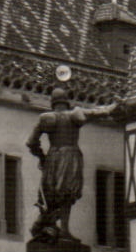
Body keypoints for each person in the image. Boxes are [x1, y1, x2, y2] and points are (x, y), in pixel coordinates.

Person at [25, 88, 116, 243]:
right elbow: (98, 112)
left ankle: (48, 226)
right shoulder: (75, 114)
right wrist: (114, 105)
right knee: (67, 193)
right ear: (67, 102)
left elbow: (31, 142)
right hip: (70, 156)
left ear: (53, 103)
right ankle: (63, 230)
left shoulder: (46, 118)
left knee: (50, 194)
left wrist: (42, 156)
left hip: (53, 157)